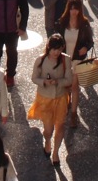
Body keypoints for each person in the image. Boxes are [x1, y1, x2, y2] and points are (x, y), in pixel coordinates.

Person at [27, 34, 73, 166]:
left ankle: (56, 152)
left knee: (60, 125)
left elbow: (69, 79)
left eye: (59, 49)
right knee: (48, 129)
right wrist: (44, 82)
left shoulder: (66, 60)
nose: (56, 52)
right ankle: (47, 141)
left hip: (60, 97)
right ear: (49, 47)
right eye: (54, 49)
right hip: (45, 98)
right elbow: (34, 78)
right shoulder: (40, 60)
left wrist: (57, 81)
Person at [56, 0, 94, 128]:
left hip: (78, 59)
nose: (74, 11)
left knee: (74, 86)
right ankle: (68, 104)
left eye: (76, 9)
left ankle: (73, 113)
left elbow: (90, 41)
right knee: (66, 85)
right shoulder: (62, 22)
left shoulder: (84, 24)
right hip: (64, 59)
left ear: (79, 10)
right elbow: (56, 39)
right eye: (72, 9)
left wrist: (85, 47)